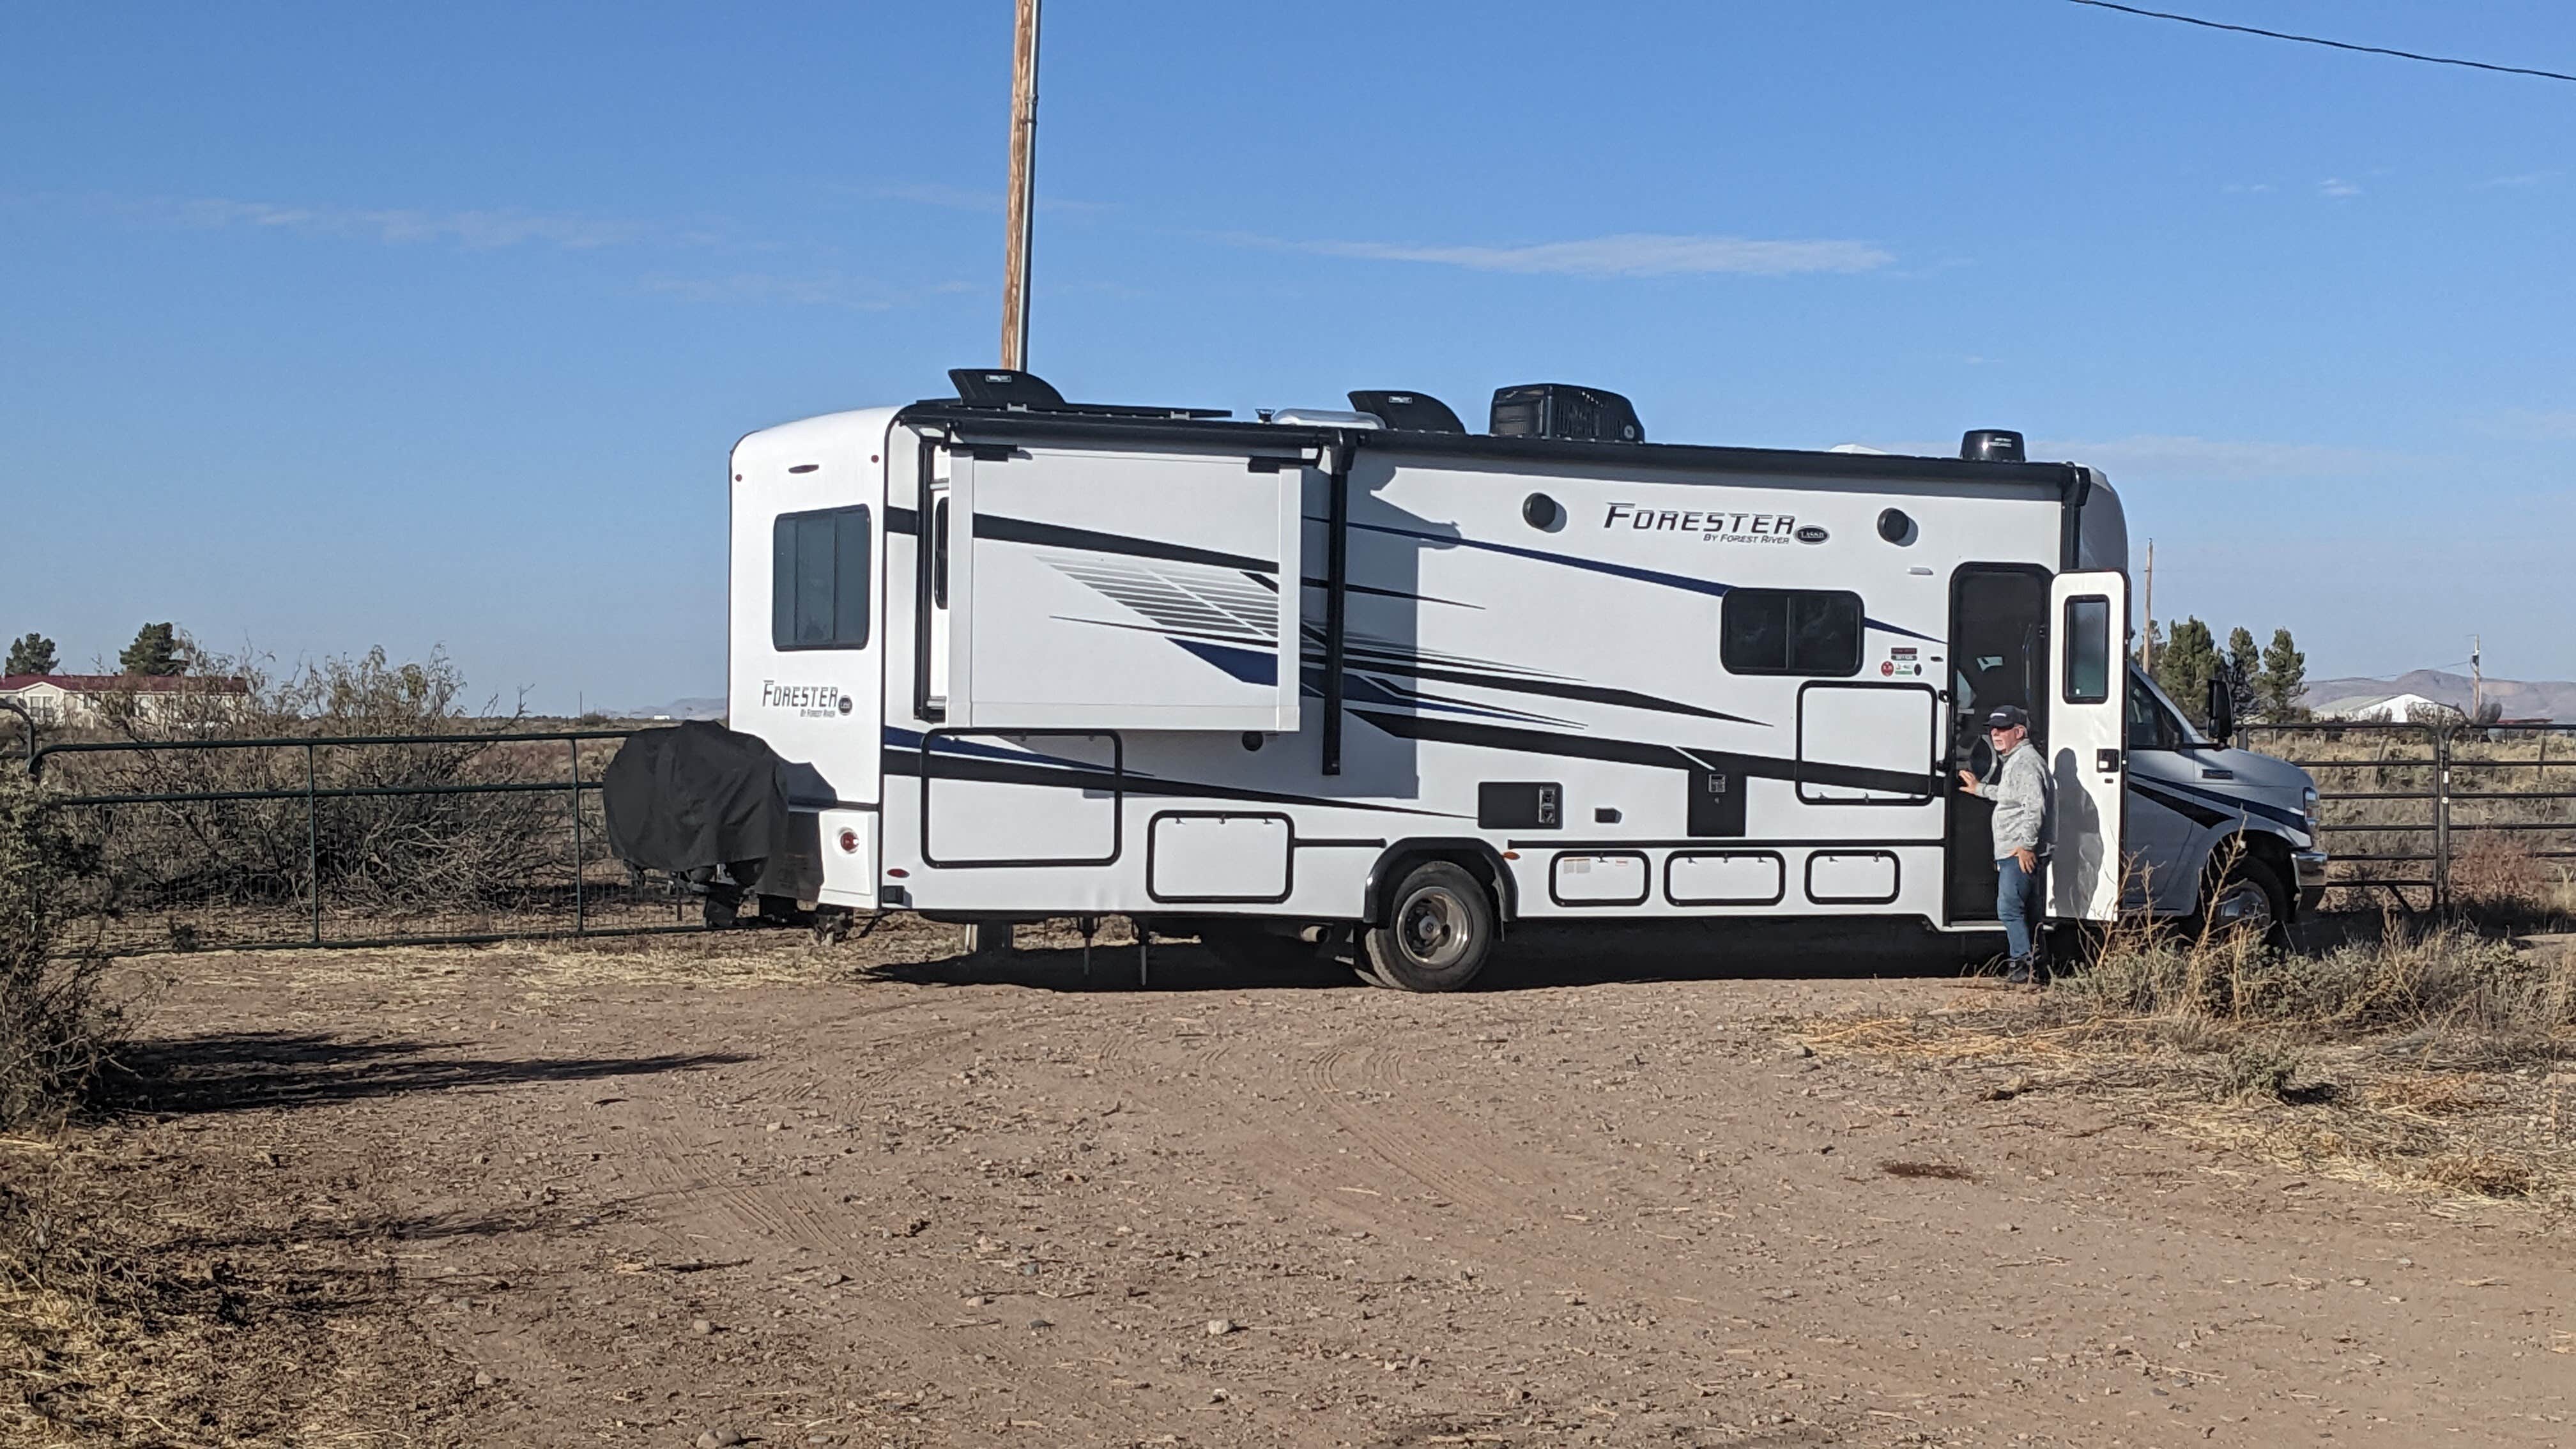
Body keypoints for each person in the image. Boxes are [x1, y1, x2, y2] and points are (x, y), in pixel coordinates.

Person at [1957, 704, 2050, 983]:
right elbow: (2012, 796)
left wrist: (2027, 846)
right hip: (2014, 847)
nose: (1996, 734)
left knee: (2009, 908)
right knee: (2027, 910)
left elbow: (2034, 806)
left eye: (2003, 729)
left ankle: (2022, 967)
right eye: (1993, 729)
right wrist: (1980, 789)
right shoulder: (2019, 761)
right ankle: (2037, 965)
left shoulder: (2026, 763)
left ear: (2019, 732)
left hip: (2016, 850)